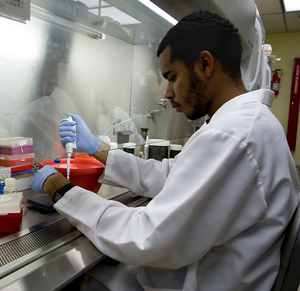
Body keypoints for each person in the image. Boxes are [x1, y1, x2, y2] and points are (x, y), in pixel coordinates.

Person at [30, 11, 299, 291]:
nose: (167, 93)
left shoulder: (233, 136)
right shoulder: (248, 124)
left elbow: (146, 237)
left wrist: (60, 188)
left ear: (205, 64)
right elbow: (171, 174)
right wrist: (101, 149)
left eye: (172, 77)